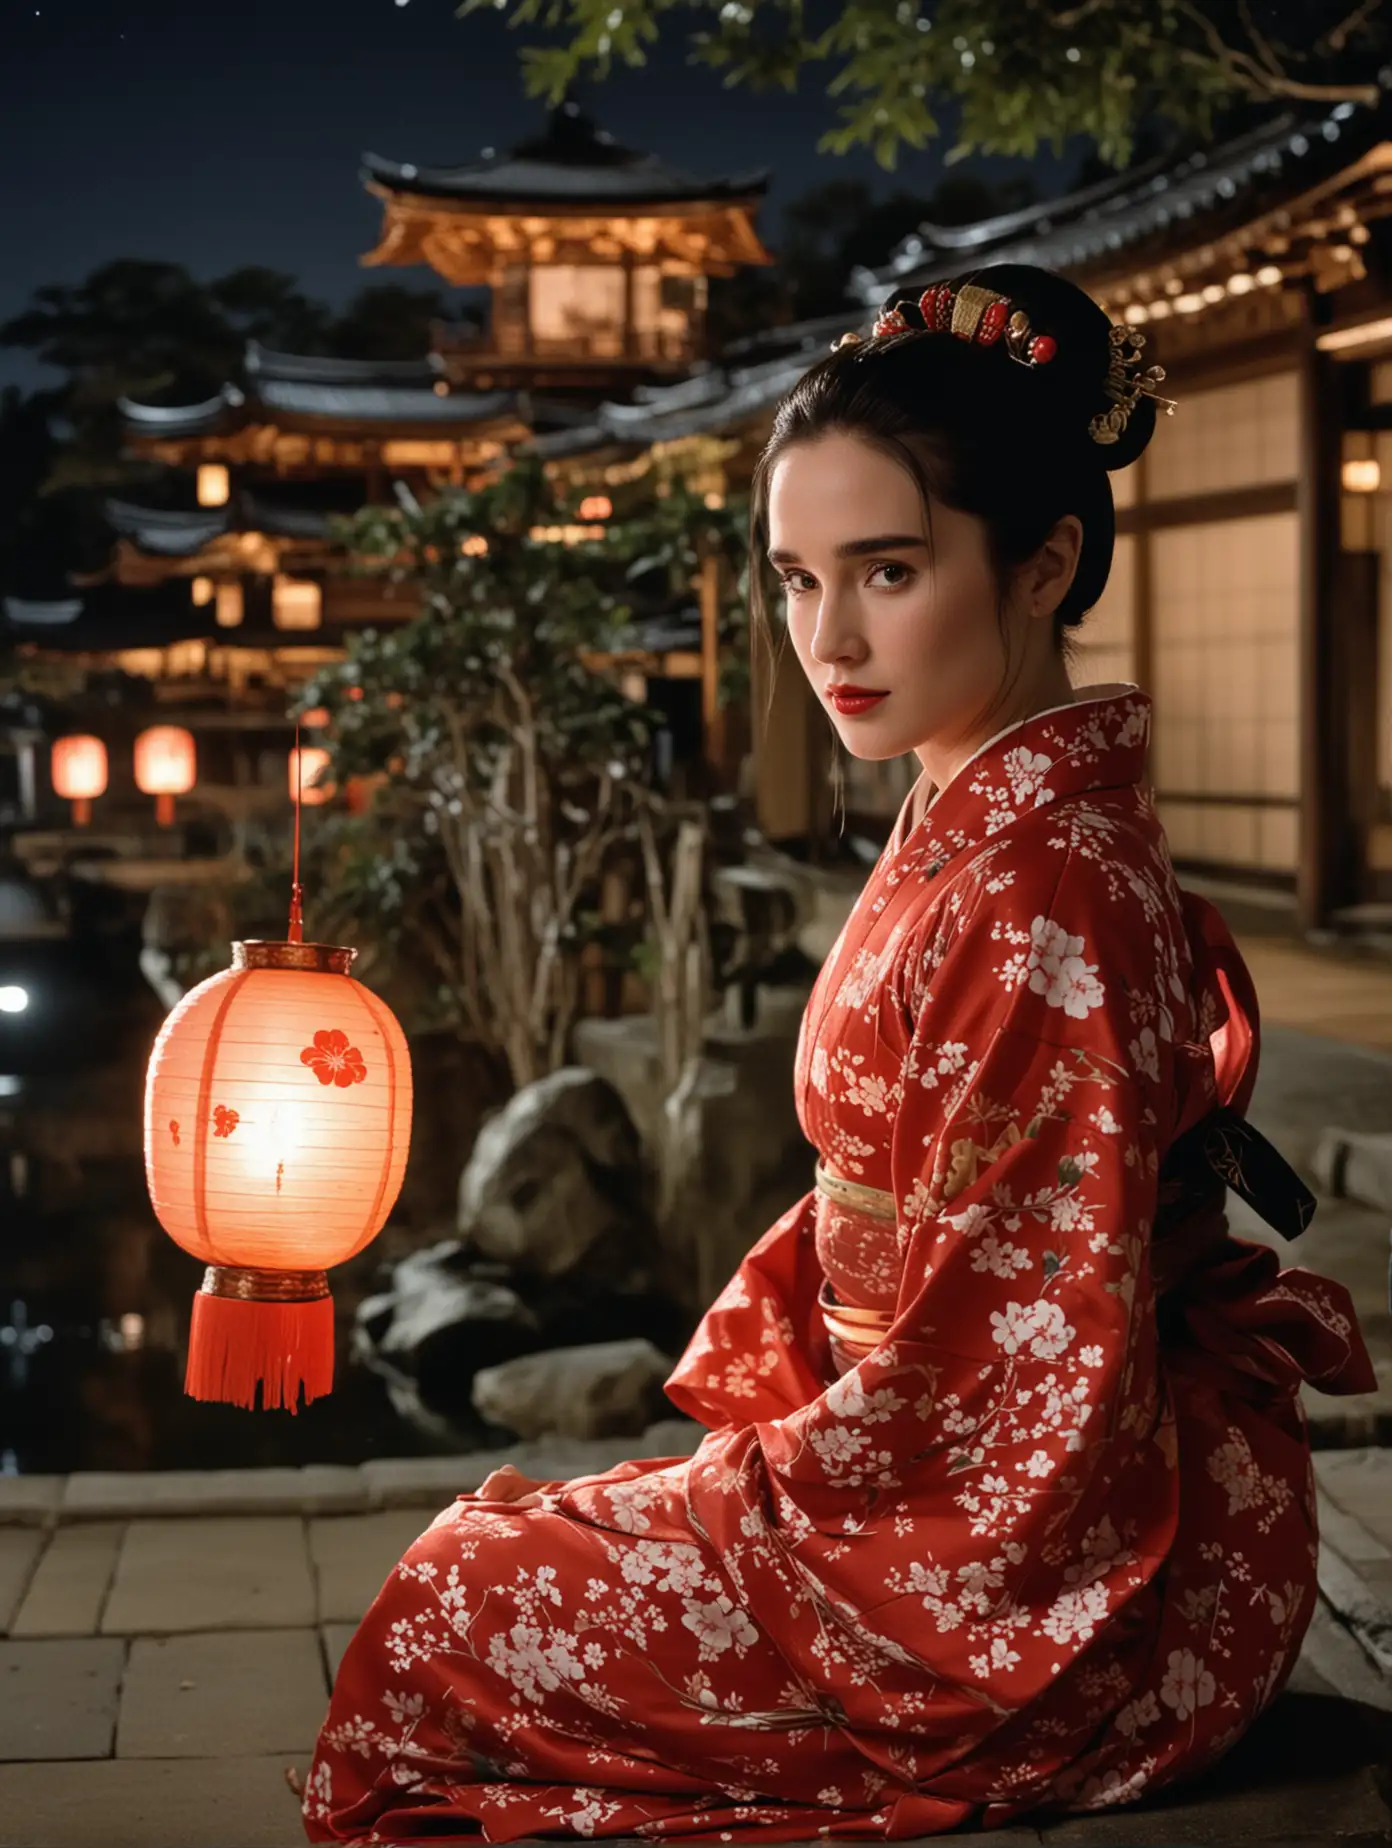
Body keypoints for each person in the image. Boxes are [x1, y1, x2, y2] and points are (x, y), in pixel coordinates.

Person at [301, 264, 1375, 1844]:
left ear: (1043, 565)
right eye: (796, 579)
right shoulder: (974, 807)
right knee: (481, 1571)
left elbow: (1020, 1362)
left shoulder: (1045, 888)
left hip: (1055, 1579)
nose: (829, 635)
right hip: (958, 1471)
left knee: (451, 1613)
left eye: (884, 570)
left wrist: (777, 1500)